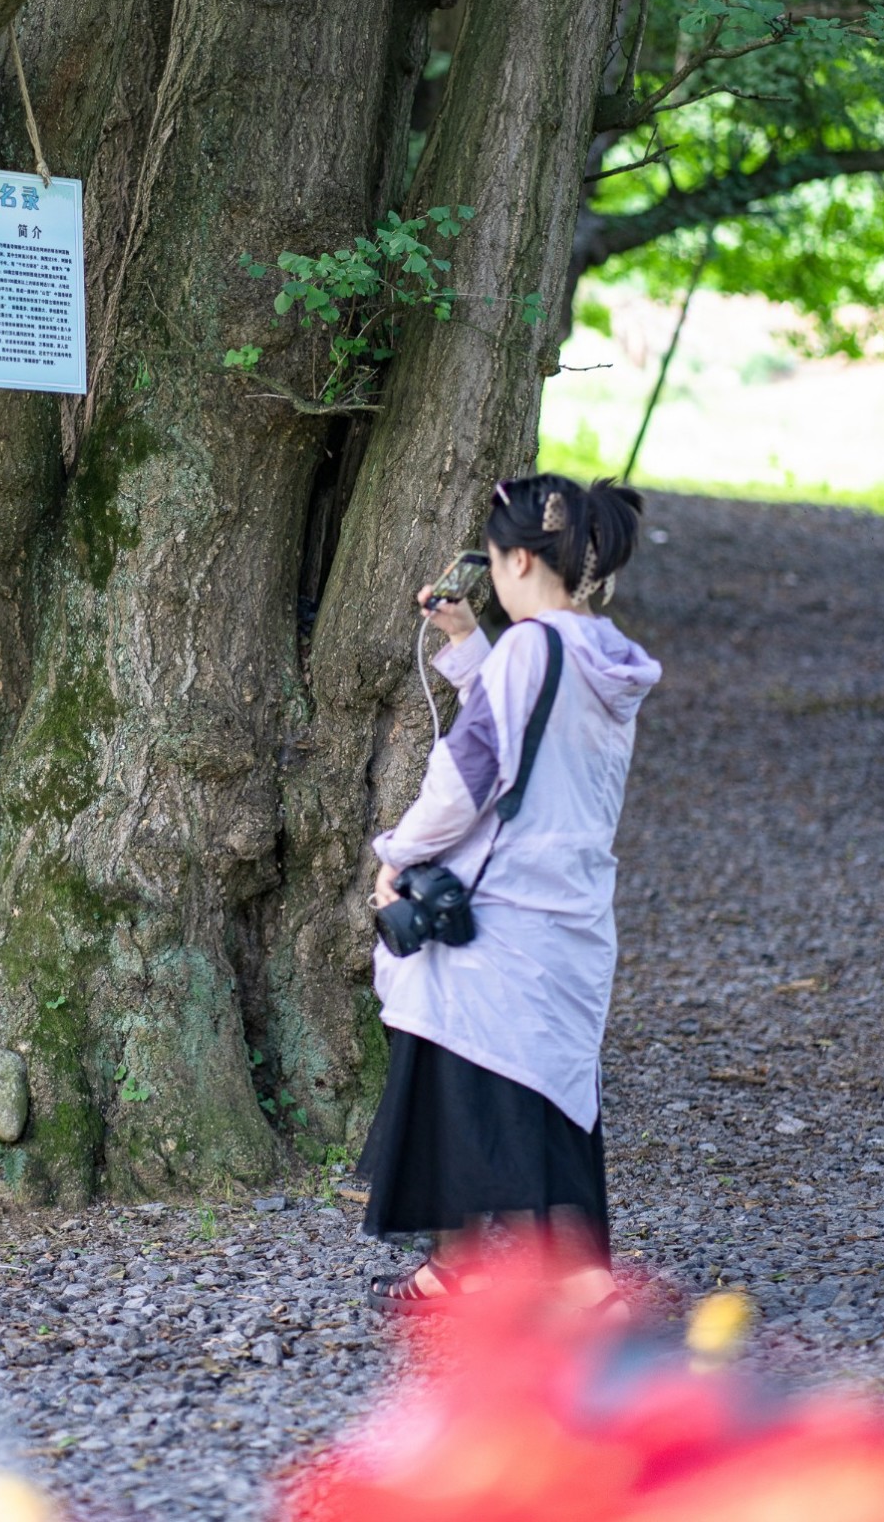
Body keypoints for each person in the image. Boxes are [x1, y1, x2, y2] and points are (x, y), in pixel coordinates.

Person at [358, 472, 661, 1313]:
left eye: (493, 564)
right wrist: (466, 650)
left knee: (467, 1066)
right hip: (569, 910)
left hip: (503, 913)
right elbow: (536, 731)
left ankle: (533, 1281)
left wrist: (397, 853)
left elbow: (472, 773)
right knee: (543, 1085)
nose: (488, 580)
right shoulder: (596, 652)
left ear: (521, 559)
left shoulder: (533, 651)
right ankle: (525, 1272)